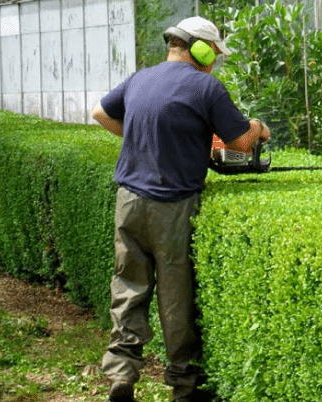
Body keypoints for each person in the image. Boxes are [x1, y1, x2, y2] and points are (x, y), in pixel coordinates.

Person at [91, 16, 270, 402]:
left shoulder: (140, 78)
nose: (216, 61)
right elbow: (240, 143)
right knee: (175, 300)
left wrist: (146, 136)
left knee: (128, 289)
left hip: (129, 202)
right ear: (201, 49)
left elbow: (101, 114)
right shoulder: (206, 87)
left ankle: (122, 376)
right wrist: (258, 127)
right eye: (214, 53)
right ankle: (185, 387)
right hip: (172, 207)